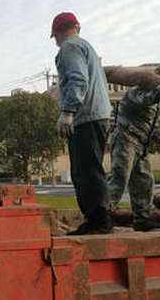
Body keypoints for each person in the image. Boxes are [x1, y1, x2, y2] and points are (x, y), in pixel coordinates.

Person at [52, 12, 113, 235]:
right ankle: (100, 218)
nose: (56, 42)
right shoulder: (87, 47)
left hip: (85, 116)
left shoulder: (69, 47)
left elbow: (78, 80)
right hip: (99, 114)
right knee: (91, 167)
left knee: (84, 170)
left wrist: (68, 111)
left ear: (57, 33)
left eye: (55, 37)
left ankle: (98, 221)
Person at [108, 68, 160, 231]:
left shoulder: (155, 102)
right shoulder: (136, 93)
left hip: (140, 144)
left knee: (144, 181)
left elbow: (151, 125)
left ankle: (142, 218)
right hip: (125, 139)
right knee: (119, 179)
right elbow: (148, 100)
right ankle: (101, 215)